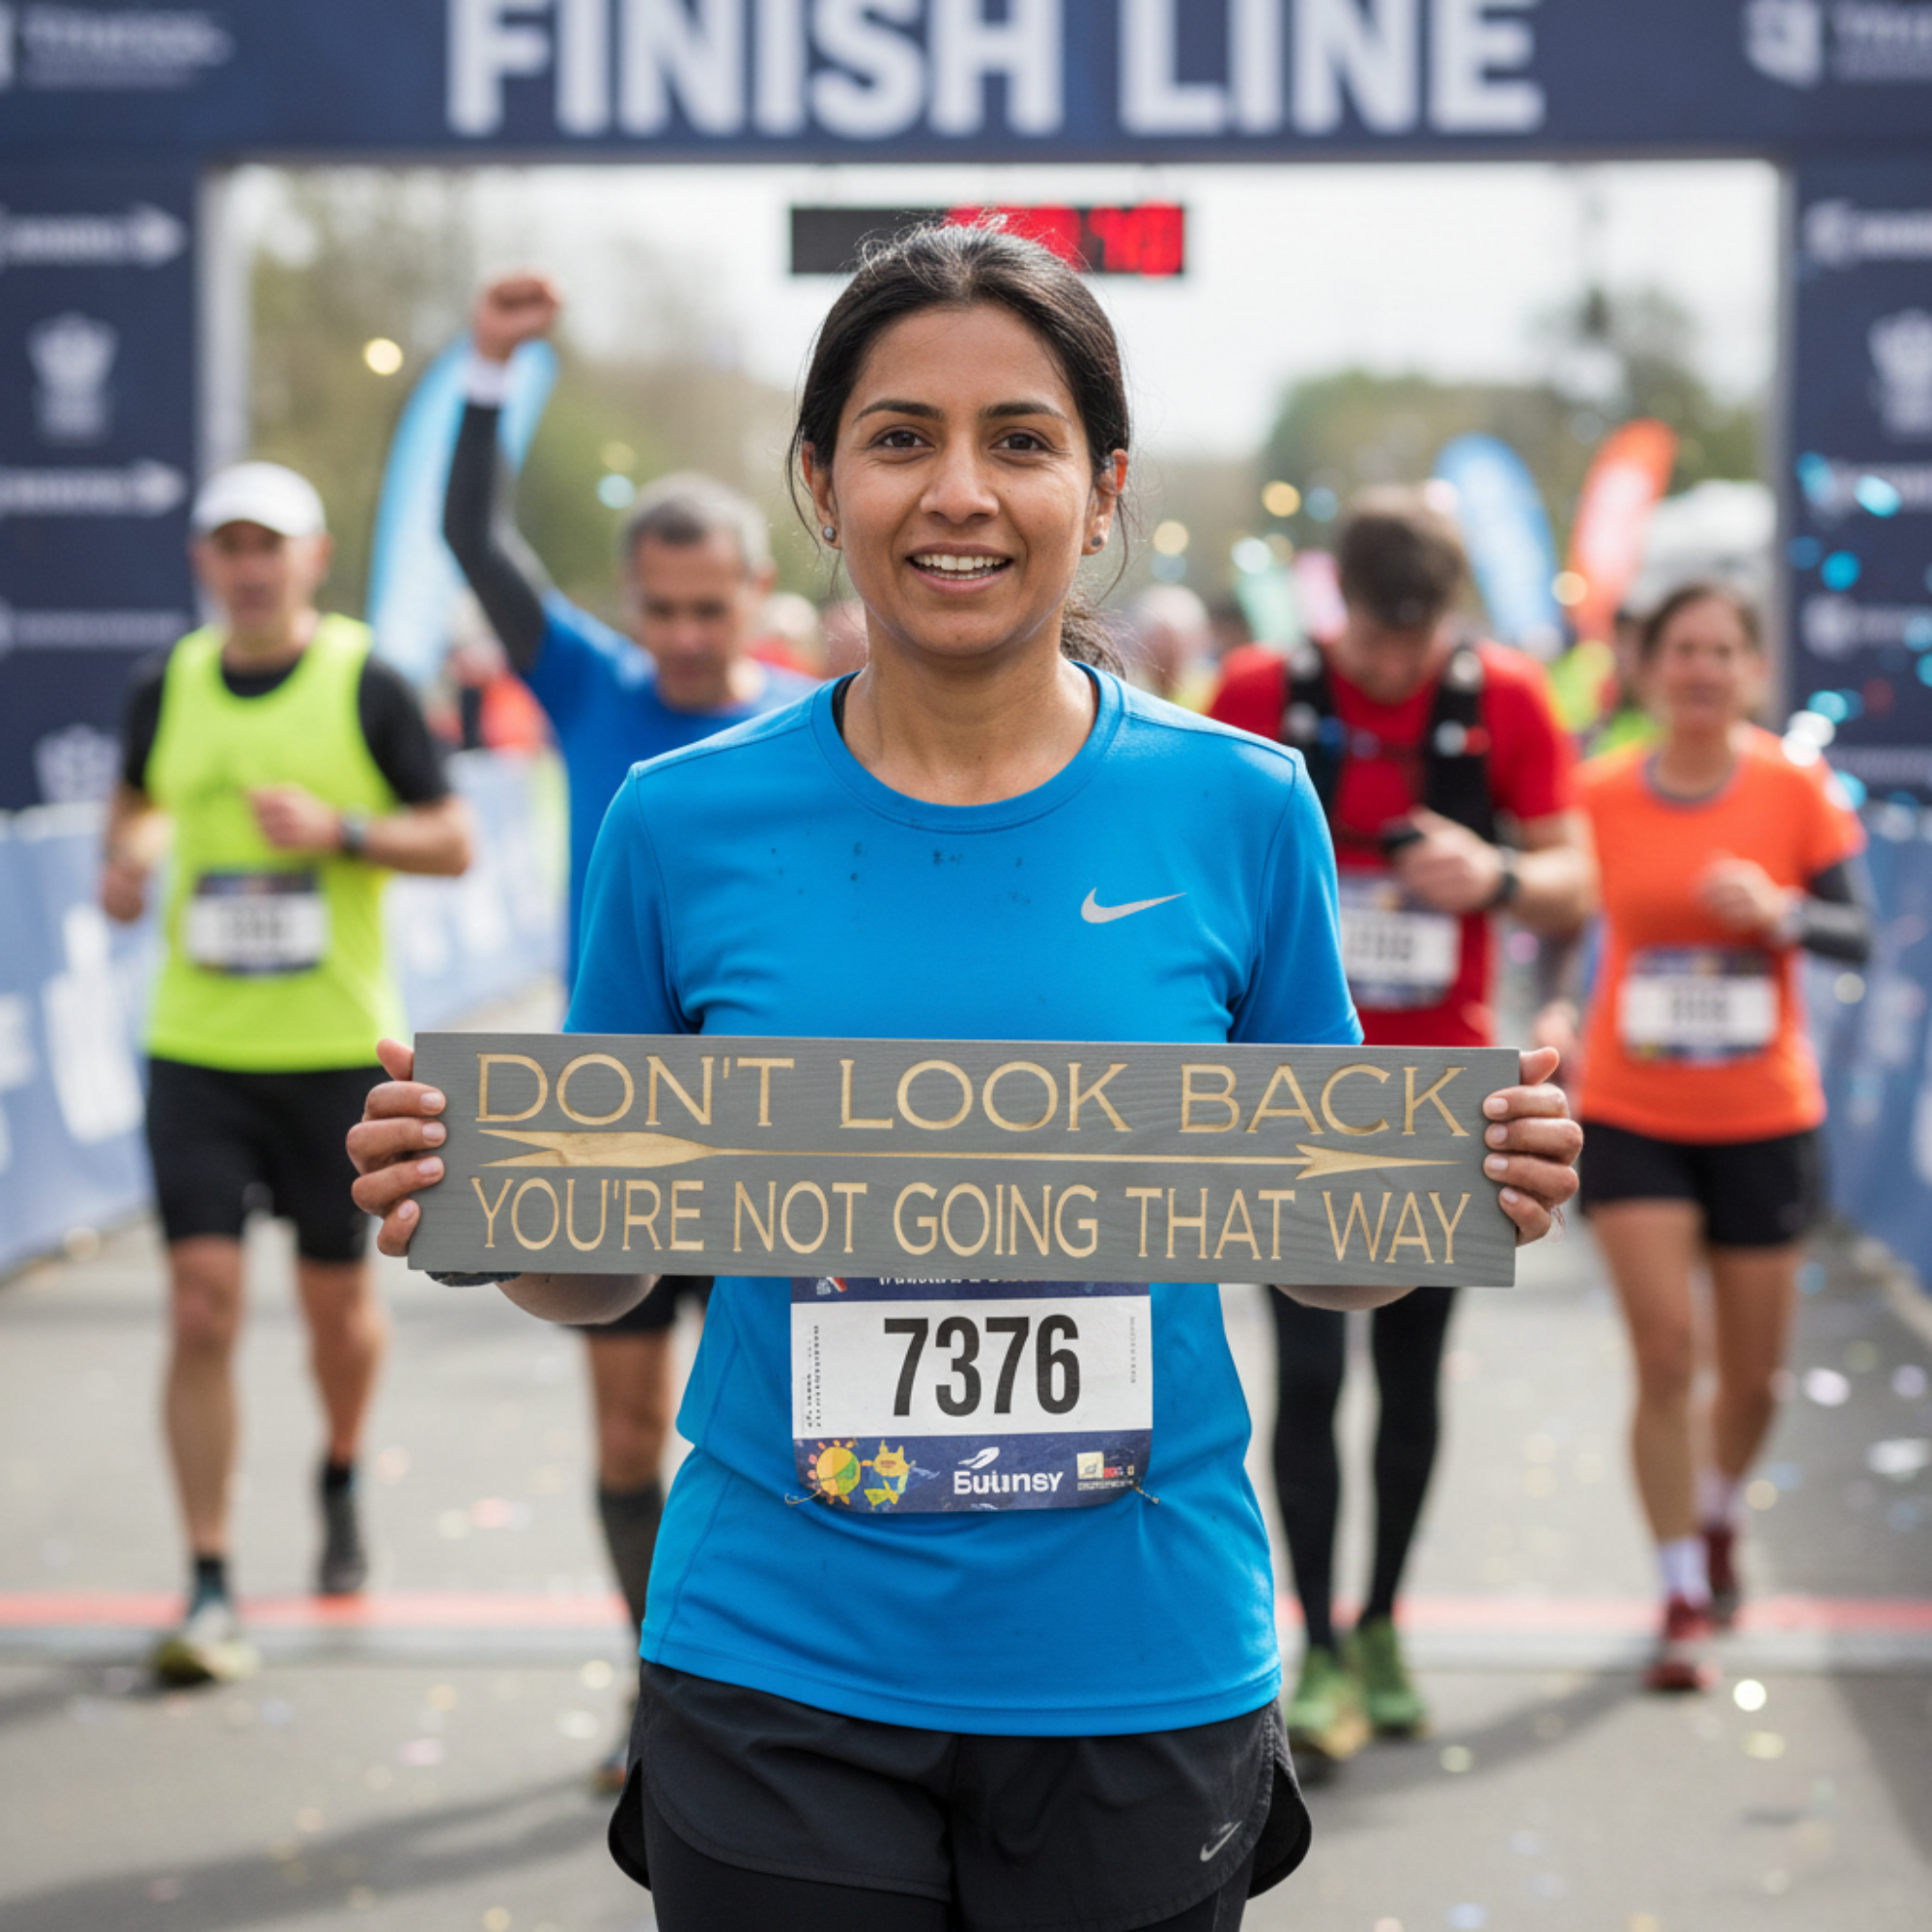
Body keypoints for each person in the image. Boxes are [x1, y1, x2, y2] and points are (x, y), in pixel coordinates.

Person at [354, 225, 1582, 1931]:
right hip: (776, 1655)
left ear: (1101, 492)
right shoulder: (681, 824)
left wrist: (1467, 1185)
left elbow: (1323, 1247)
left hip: (1140, 1654)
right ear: (819, 480)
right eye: (899, 437)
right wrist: (481, 1205)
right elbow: (611, 1265)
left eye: (1020, 439)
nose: (959, 491)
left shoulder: (1241, 809)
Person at [443, 272, 817, 1785]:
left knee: (798, 1421)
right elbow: (474, 542)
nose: (677, 636)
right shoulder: (587, 682)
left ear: (753, 599)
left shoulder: (817, 715)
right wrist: (484, 374)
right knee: (624, 1435)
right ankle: (656, 1687)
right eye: (655, 608)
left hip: (781, 1113)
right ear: (628, 600)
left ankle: (781, 1684)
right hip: (608, 1104)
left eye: (706, 610)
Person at [1208, 490, 1594, 1760]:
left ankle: (1382, 1622)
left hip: (1446, 1099)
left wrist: (1494, 876)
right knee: (1309, 1377)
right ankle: (1315, 1643)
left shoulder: (1510, 700)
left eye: (1413, 649)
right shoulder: (1264, 690)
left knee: (1415, 1379)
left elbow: (1573, 880)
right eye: (1374, 647)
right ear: (1341, 615)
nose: (1390, 671)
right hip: (1301, 1095)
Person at [100, 461, 471, 1686]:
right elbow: (137, 806)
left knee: (334, 1312)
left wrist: (342, 832)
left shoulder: (365, 681)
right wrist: (129, 857)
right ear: (206, 564)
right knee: (201, 1303)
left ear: (310, 559)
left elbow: (454, 836)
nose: (249, 567)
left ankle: (341, 1463)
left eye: (271, 546)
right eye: (229, 547)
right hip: (198, 1049)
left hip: (331, 1052)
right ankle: (208, 1569)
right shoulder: (169, 683)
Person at [1570, 582, 1869, 1692]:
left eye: (1720, 650)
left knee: (1754, 1379)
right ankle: (1676, 1587)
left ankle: (1712, 1507)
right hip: (1632, 1111)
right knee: (1662, 1351)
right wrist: (1553, 1006)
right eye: (1679, 649)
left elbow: (1858, 936)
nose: (1698, 668)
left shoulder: (1792, 787)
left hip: (1761, 1117)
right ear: (1646, 668)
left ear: (1749, 668)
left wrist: (1780, 910)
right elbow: (1559, 922)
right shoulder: (1597, 790)